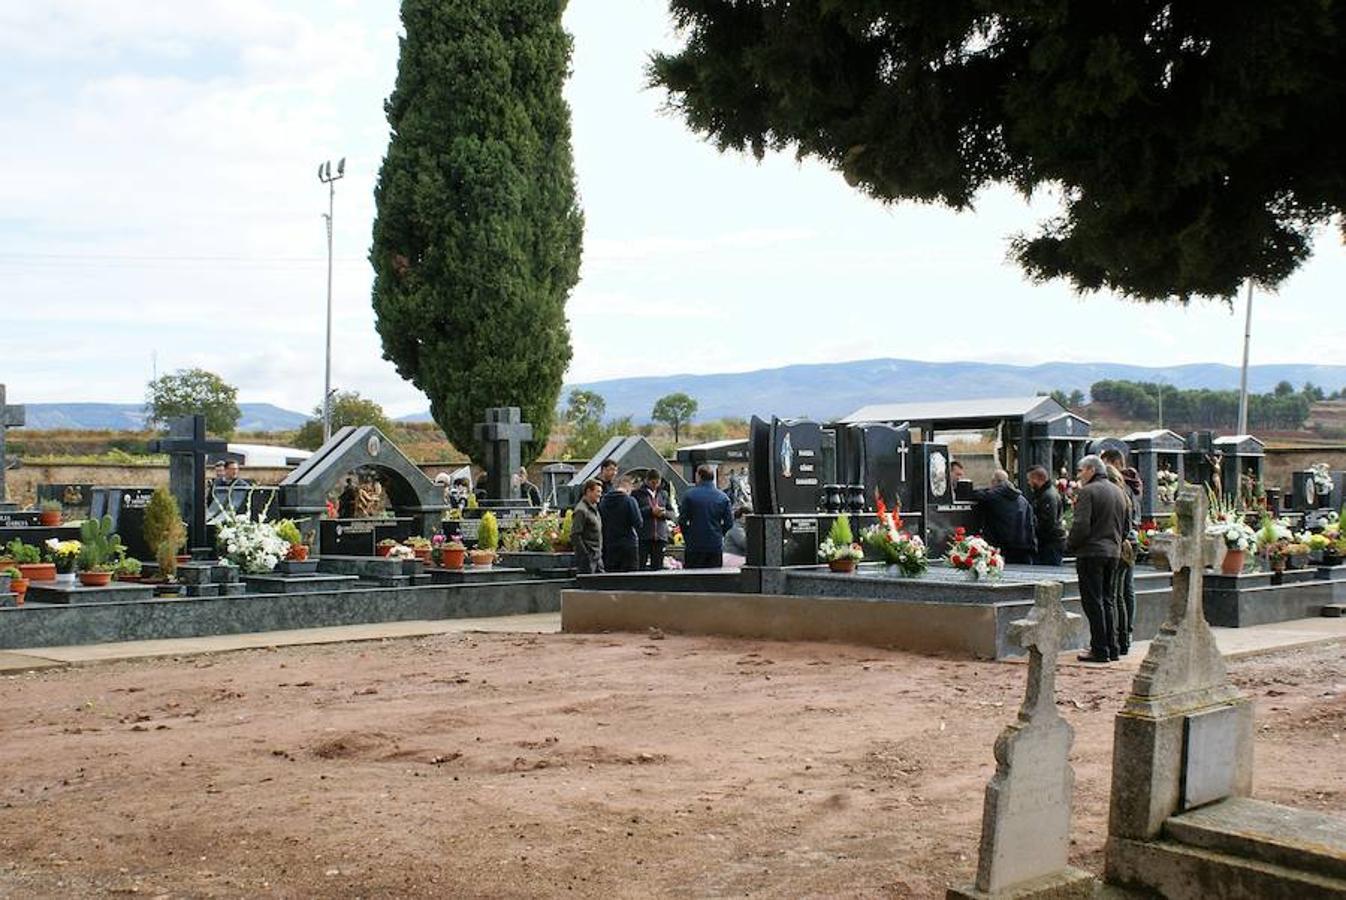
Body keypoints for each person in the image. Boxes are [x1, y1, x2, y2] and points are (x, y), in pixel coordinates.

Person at [1067, 455, 1128, 663]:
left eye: (1080, 471)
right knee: (1108, 600)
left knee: (1093, 602)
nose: (1079, 475)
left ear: (1091, 469)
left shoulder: (1088, 492)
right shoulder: (1119, 492)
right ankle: (1112, 647)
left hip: (1091, 552)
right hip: (1113, 552)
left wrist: (1070, 545)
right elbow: (1126, 526)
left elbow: (1081, 525)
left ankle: (1099, 648)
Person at [1100, 448, 1142, 656]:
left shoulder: (1121, 489)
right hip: (1130, 542)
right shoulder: (1133, 485)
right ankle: (1126, 635)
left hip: (1121, 543)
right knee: (1126, 591)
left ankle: (1120, 636)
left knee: (1116, 594)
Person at [969, 469, 1037, 564]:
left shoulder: (992, 496)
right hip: (1023, 546)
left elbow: (975, 495)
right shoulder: (1023, 500)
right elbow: (1031, 523)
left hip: (1002, 547)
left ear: (994, 481)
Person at [678, 464, 734, 569]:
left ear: (699, 476)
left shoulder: (689, 495)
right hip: (714, 545)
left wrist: (688, 536)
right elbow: (729, 523)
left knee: (693, 577)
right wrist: (719, 533)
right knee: (714, 579)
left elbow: (682, 520)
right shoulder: (723, 497)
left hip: (694, 544)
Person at [599, 475, 642, 572]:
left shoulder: (604, 502)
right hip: (628, 545)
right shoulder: (630, 501)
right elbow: (638, 523)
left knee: (612, 578)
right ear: (628, 487)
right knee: (630, 578)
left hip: (609, 544)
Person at [1026, 465, 1066, 565]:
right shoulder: (1045, 494)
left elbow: (1048, 523)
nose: (1028, 483)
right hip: (1049, 543)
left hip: (1050, 545)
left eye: (1029, 480)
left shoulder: (1048, 496)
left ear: (1037, 479)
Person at [633, 470, 672, 571]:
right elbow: (635, 512)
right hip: (644, 536)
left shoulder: (664, 494)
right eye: (653, 482)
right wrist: (651, 511)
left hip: (660, 537)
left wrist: (664, 513)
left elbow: (672, 513)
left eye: (657, 482)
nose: (655, 485)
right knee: (640, 565)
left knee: (658, 567)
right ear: (647, 481)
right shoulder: (637, 494)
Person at [571, 478, 604, 575]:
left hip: (597, 557)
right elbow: (575, 535)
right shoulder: (581, 510)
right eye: (597, 491)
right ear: (588, 491)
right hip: (588, 559)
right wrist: (585, 555)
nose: (600, 495)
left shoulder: (594, 509)